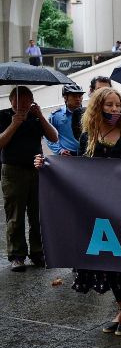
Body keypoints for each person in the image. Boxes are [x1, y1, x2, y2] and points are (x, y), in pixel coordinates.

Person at [35, 87, 121, 336]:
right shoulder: (87, 136)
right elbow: (79, 170)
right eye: (109, 105)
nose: (114, 109)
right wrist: (46, 165)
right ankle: (120, 308)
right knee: (107, 260)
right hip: (97, 209)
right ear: (98, 107)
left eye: (118, 105)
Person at [1, 86, 58, 271]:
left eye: (27, 100)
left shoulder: (36, 116)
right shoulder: (3, 116)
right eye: (19, 100)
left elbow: (54, 137)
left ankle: (38, 252)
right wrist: (14, 124)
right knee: (15, 216)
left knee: (38, 215)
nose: (24, 104)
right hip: (13, 170)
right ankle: (17, 256)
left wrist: (40, 116)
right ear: (12, 101)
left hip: (37, 169)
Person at [48, 84, 85, 156]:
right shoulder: (55, 115)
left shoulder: (88, 113)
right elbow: (49, 137)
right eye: (74, 96)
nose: (78, 99)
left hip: (85, 154)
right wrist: (59, 150)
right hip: (66, 155)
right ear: (65, 97)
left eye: (80, 96)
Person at [73, 76, 113, 141]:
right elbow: (80, 138)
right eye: (99, 90)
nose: (103, 93)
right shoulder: (79, 113)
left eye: (107, 90)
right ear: (92, 91)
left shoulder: (116, 112)